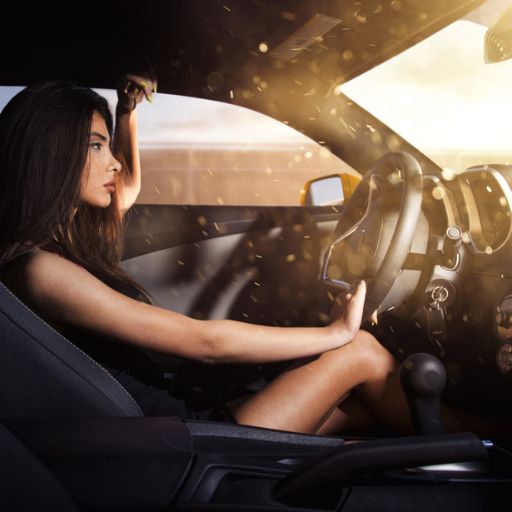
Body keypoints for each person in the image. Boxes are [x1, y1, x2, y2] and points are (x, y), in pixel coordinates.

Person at [0, 75, 414, 435]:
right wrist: (335, 333)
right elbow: (204, 342)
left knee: (361, 410)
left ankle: (467, 438)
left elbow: (127, 185)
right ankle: (478, 440)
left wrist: (128, 112)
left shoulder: (62, 238)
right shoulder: (41, 271)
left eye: (108, 146)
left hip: (171, 427)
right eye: (95, 147)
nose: (113, 163)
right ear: (50, 155)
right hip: (188, 438)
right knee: (358, 351)